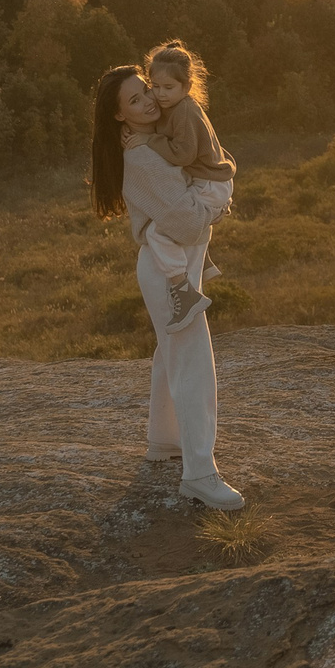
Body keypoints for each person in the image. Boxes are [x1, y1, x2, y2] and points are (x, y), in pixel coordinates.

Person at [91, 63, 243, 510]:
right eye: (135, 100)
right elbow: (189, 223)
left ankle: (164, 440)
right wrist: (218, 208)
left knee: (170, 352)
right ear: (119, 115)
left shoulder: (162, 134)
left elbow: (204, 161)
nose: (149, 101)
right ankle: (200, 474)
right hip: (166, 274)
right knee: (192, 362)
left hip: (168, 268)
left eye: (146, 90)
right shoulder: (142, 157)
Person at [139, 39, 235, 333]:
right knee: (177, 217)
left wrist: (148, 140)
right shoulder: (178, 107)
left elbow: (182, 155)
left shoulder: (184, 111)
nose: (160, 94)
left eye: (168, 88)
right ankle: (203, 262)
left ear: (187, 86)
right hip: (209, 182)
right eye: (155, 86)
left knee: (157, 231)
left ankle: (184, 292)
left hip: (209, 185)